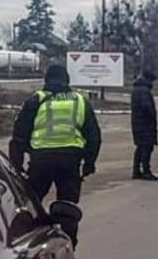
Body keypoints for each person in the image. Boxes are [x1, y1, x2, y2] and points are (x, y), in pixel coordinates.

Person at [9, 61, 101, 244]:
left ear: (46, 80)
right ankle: (68, 245)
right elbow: (94, 136)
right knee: (68, 206)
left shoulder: (36, 100)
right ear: (67, 80)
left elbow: (19, 135)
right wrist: (89, 163)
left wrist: (16, 165)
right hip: (70, 161)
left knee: (30, 205)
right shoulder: (80, 101)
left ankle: (28, 244)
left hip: (41, 161)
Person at [131, 69, 158, 180]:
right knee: (147, 147)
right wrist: (152, 116)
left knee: (140, 147)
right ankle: (146, 171)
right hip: (145, 124)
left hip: (138, 123)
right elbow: (146, 107)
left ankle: (136, 170)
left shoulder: (137, 89)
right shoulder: (144, 91)